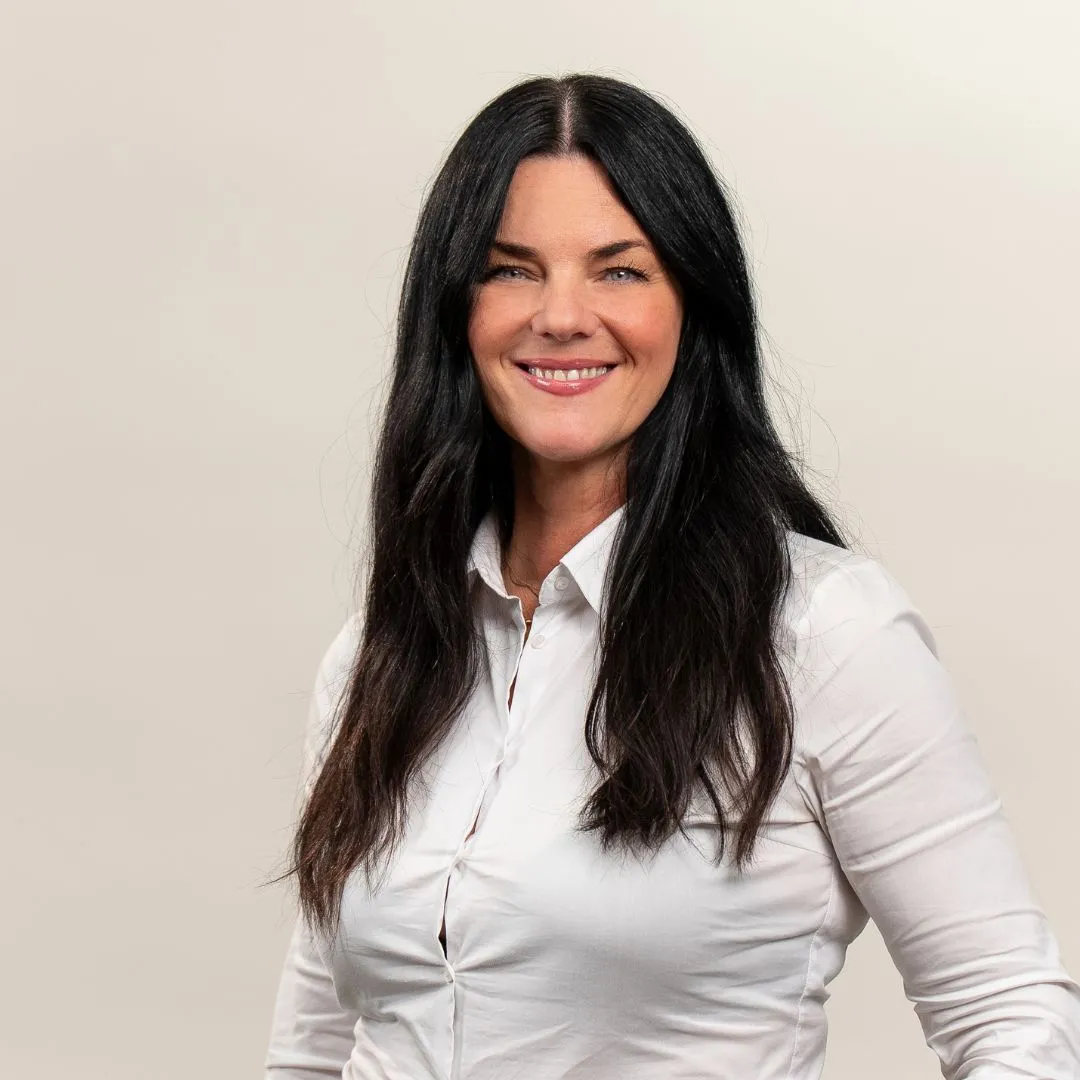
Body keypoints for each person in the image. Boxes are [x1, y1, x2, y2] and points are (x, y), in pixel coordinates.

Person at [264, 74, 1080, 1079]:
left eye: (619, 272)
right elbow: (311, 1050)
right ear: (456, 311)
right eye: (511, 270)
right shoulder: (377, 660)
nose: (561, 316)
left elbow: (1010, 1018)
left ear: (693, 308)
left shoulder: (822, 636)